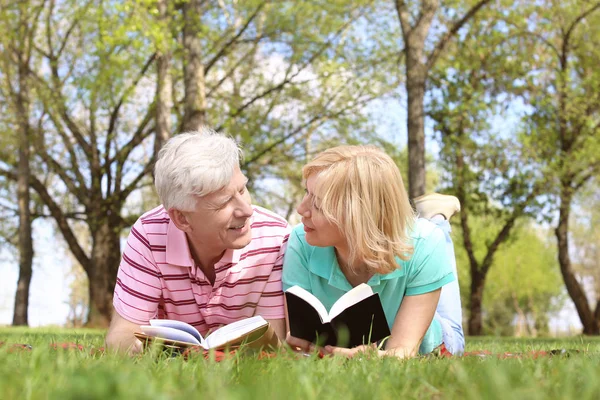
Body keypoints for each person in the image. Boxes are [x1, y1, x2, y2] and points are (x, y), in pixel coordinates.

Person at [106, 128, 290, 354]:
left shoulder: (276, 238)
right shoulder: (148, 234)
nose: (246, 210)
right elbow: (122, 333)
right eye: (224, 203)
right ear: (182, 218)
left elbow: (273, 340)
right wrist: (137, 349)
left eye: (242, 189)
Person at [283, 145, 464, 358]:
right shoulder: (300, 240)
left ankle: (438, 218)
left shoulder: (425, 243)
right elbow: (297, 340)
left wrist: (367, 358)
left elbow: (402, 351)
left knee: (455, 338)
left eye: (317, 204)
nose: (301, 210)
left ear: (356, 216)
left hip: (430, 337)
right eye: (307, 193)